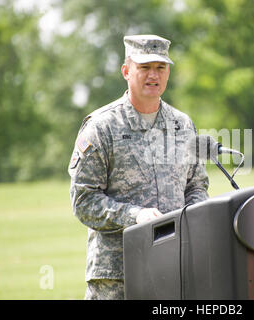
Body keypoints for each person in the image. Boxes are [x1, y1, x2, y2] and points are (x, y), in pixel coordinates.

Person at [68, 34, 209, 300]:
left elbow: (196, 185)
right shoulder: (102, 127)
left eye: (160, 67)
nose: (153, 75)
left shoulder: (182, 124)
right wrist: (134, 216)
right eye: (144, 67)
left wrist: (196, 217)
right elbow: (83, 201)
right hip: (118, 276)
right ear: (126, 71)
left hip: (175, 268)